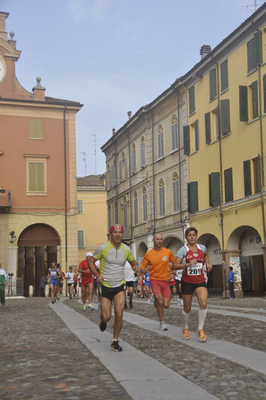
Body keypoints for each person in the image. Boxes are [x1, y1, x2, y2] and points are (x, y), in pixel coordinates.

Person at [88, 224, 140, 352]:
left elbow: (133, 262)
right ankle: (102, 320)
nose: (118, 235)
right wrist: (97, 275)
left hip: (119, 286)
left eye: (120, 232)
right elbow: (91, 261)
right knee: (107, 317)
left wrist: (136, 266)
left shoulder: (126, 249)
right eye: (115, 232)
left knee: (119, 314)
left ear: (123, 235)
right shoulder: (103, 248)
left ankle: (115, 341)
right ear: (110, 234)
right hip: (105, 286)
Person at [173, 227, 213, 342]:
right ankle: (185, 328)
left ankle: (200, 329)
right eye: (189, 235)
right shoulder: (183, 250)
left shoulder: (202, 248)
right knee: (187, 307)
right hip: (187, 281)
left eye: (194, 235)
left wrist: (208, 264)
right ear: (186, 237)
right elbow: (174, 266)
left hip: (200, 280)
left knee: (203, 303)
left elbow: (205, 255)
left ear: (196, 236)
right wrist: (187, 265)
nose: (192, 237)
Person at [140, 233, 176, 331]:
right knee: (160, 301)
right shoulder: (149, 253)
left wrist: (173, 273)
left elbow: (175, 263)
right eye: (157, 239)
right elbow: (142, 266)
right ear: (153, 241)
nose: (159, 241)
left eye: (161, 239)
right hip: (154, 280)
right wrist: (143, 270)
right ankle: (162, 322)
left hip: (165, 280)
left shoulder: (167, 252)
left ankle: (157, 300)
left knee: (166, 305)